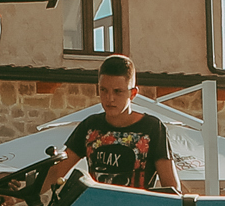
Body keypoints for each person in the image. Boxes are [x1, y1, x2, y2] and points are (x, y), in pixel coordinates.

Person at [60, 54, 186, 193]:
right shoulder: (90, 126)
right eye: (103, 90)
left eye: (118, 91)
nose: (110, 98)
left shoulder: (152, 128)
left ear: (133, 94)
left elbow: (172, 188)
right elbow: (55, 172)